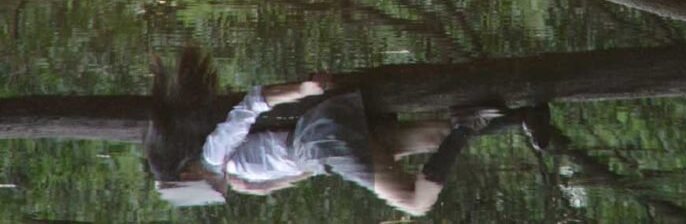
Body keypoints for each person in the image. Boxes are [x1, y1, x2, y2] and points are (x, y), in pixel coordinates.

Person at [146, 48, 549, 214]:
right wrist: (262, 185)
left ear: (188, 171)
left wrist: (302, 89)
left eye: (205, 186)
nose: (219, 190)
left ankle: (465, 124)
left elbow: (251, 105)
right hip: (320, 147)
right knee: (434, 137)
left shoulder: (214, 155)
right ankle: (522, 116)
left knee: (414, 202)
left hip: (321, 142)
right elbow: (289, 169)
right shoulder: (231, 169)